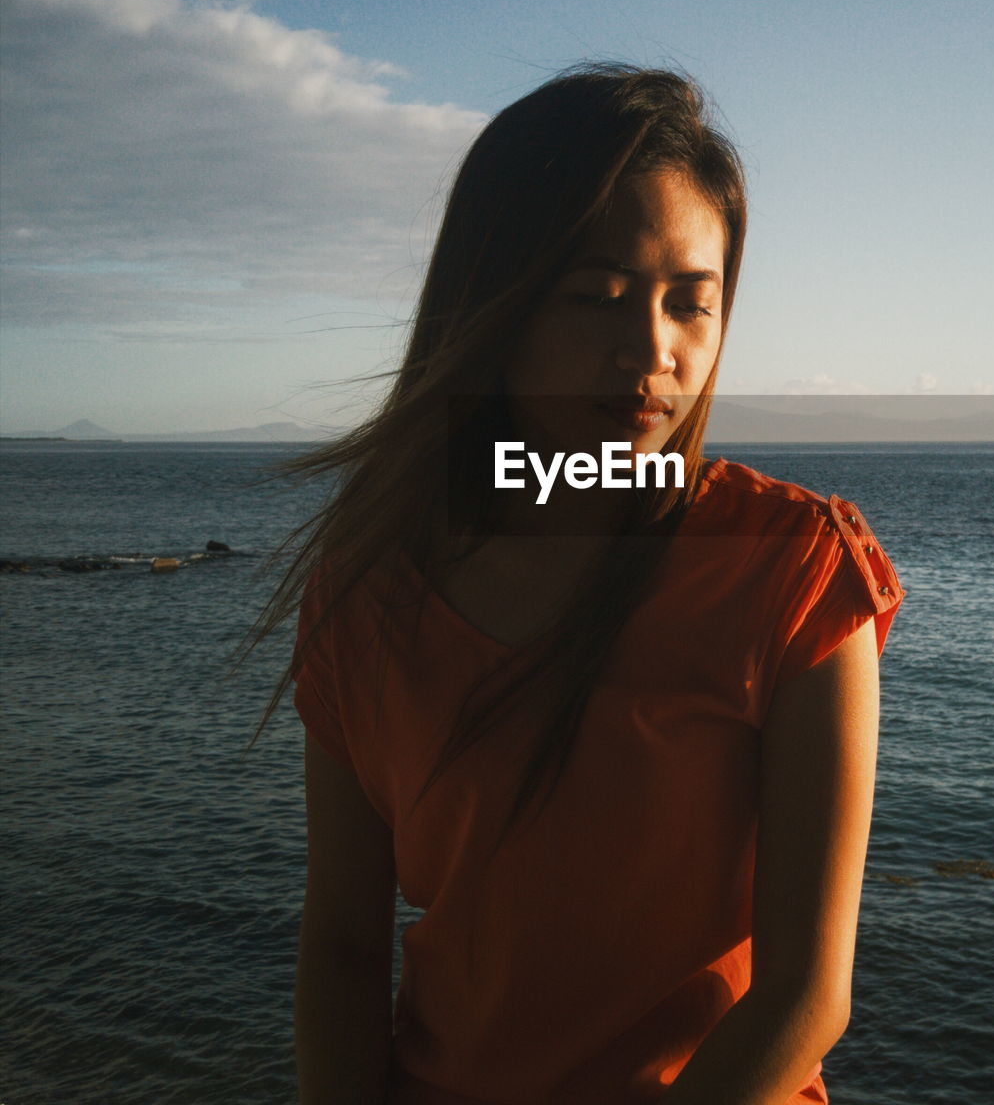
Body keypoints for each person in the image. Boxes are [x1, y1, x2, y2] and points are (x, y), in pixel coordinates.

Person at [248, 63, 905, 1104]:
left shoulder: (792, 564)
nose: (650, 350)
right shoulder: (369, 592)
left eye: (691, 302)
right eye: (596, 296)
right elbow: (338, 947)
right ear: (493, 304)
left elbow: (805, 992)